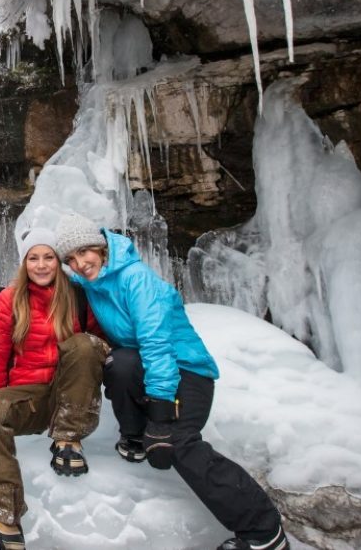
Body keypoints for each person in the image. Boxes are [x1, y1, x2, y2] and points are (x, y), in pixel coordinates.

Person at [53, 213, 288, 550]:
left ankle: (265, 531)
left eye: (83, 253)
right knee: (118, 361)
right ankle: (133, 438)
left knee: (178, 443)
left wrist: (162, 417)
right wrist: (8, 293)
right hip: (147, 368)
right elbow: (50, 282)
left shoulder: (136, 280)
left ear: (100, 247)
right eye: (71, 260)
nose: (79, 264)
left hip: (187, 371)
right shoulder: (91, 281)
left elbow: (156, 344)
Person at [0, 227, 107, 550]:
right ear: (24, 262)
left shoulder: (78, 295)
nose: (41, 265)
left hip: (71, 396)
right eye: (33, 258)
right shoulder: (7, 301)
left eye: (48, 258)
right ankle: (3, 520)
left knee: (85, 345)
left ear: (59, 262)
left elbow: (103, 342)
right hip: (28, 397)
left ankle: (68, 439)